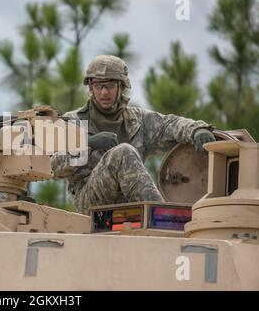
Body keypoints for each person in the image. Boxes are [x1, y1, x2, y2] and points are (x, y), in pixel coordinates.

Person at [51, 55, 215, 215]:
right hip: (91, 204)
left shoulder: (137, 121)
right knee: (123, 152)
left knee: (124, 152)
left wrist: (196, 129)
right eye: (98, 86)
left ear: (121, 87)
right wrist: (88, 144)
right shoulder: (73, 121)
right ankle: (161, 216)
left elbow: (169, 125)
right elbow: (53, 167)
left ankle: (158, 217)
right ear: (90, 88)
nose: (104, 92)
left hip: (131, 204)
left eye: (110, 86)